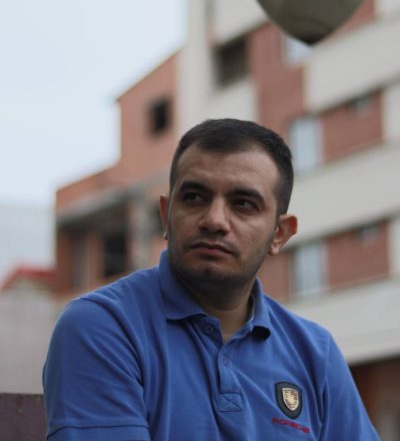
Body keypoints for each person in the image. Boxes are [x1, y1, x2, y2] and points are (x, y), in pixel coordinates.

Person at [43, 118, 379, 440]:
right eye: (194, 198)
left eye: (243, 204)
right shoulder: (103, 327)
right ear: (166, 215)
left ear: (279, 233)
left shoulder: (315, 352)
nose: (215, 220)